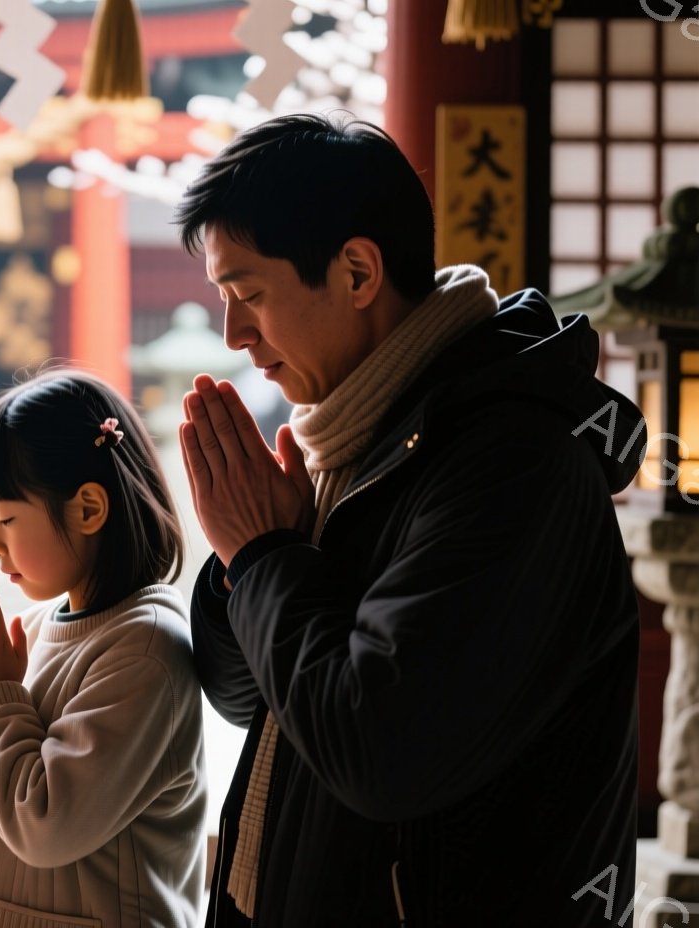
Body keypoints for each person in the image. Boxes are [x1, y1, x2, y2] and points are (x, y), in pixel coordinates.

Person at [173, 113, 641, 925]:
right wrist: (242, 561)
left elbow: (377, 749)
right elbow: (247, 694)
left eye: (248, 295)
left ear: (357, 272)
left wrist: (265, 556)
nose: (234, 333)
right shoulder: (349, 434)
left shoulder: (510, 464)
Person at [0, 369, 207, 928]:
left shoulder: (146, 651)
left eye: (7, 519)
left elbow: (44, 824)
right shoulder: (39, 624)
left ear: (88, 510)